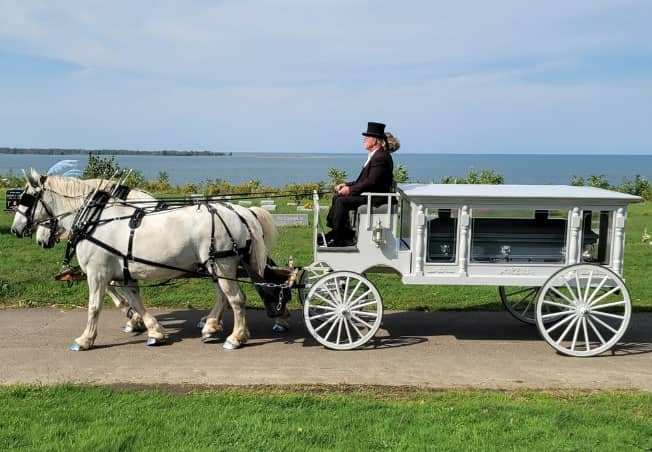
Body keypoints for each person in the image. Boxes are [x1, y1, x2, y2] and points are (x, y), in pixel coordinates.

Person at [324, 122, 394, 246]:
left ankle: (339, 237)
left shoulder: (380, 157)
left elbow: (371, 182)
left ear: (375, 141)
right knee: (337, 198)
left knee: (341, 201)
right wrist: (345, 184)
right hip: (370, 193)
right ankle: (339, 231)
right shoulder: (375, 156)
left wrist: (349, 190)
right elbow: (362, 181)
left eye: (367, 137)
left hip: (376, 197)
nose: (364, 139)